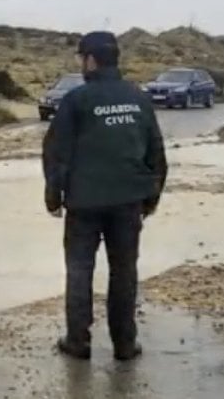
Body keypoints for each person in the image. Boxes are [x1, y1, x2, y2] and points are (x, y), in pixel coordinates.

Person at [42, 31, 167, 361]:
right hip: (128, 202)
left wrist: (53, 196)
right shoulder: (138, 99)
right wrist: (152, 196)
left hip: (84, 203)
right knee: (124, 272)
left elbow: (57, 152)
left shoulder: (76, 101)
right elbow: (156, 150)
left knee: (80, 271)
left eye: (81, 58)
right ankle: (125, 345)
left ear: (91, 60)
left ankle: (78, 342)